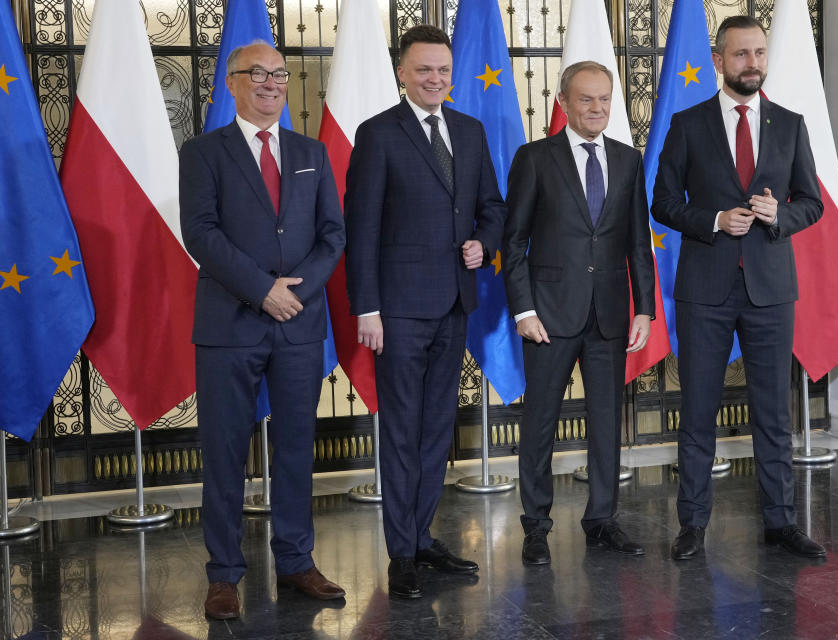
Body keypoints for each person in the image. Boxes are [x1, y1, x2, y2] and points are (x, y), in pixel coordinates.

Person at [180, 41, 347, 619]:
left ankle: (296, 561)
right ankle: (224, 574)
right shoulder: (203, 152)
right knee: (224, 452)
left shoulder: (311, 152)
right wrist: (262, 289)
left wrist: (293, 294)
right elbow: (200, 234)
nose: (271, 83)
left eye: (279, 74)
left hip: (298, 325)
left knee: (297, 449)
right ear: (233, 82)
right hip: (230, 325)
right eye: (258, 74)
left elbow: (333, 235)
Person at [650, 16, 826, 560]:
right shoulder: (687, 123)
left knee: (773, 414)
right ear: (719, 59)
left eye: (759, 52)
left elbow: (812, 203)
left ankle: (782, 523)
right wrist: (714, 220)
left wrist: (782, 215)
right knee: (698, 411)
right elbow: (662, 203)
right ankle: (693, 527)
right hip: (705, 289)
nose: (753, 62)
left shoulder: (791, 124)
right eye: (742, 54)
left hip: (772, 290)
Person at [343, 24, 506, 598]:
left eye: (442, 70)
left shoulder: (470, 129)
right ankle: (401, 553)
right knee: (404, 431)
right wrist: (367, 307)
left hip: (455, 304)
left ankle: (422, 535)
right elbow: (360, 230)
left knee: (438, 429)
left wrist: (484, 244)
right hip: (398, 312)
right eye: (423, 70)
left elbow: (493, 207)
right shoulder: (377, 134)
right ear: (402, 74)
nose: (435, 79)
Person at [502, 61, 656, 566]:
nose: (597, 109)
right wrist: (523, 309)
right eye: (586, 99)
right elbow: (515, 240)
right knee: (541, 421)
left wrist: (645, 310)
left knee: (607, 422)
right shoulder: (535, 158)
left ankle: (601, 520)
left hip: (610, 314)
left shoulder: (628, 160)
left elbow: (637, 240)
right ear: (564, 103)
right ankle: (536, 526)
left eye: (604, 99)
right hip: (547, 314)